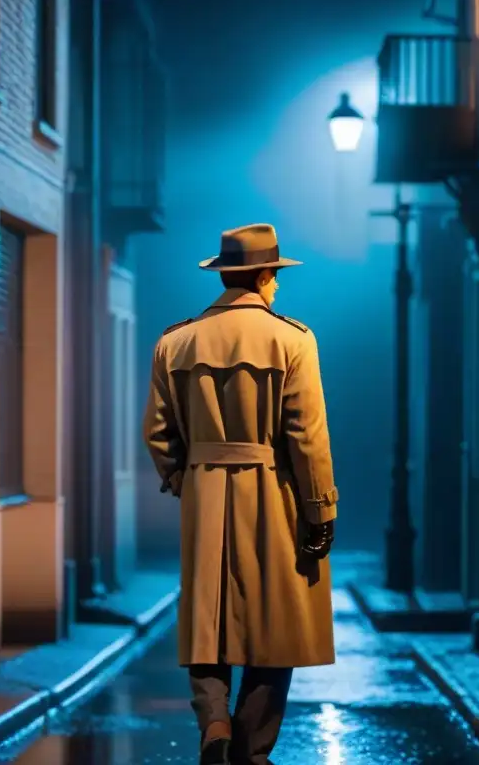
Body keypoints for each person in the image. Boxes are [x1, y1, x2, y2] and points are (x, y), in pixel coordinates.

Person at [143, 223, 339, 765]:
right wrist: (319, 509)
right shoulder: (293, 339)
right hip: (273, 492)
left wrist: (190, 481)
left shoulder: (174, 341)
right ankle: (253, 750)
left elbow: (158, 434)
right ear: (262, 274)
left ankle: (214, 725)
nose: (276, 284)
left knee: (206, 618)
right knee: (276, 622)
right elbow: (306, 436)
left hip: (205, 491)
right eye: (274, 274)